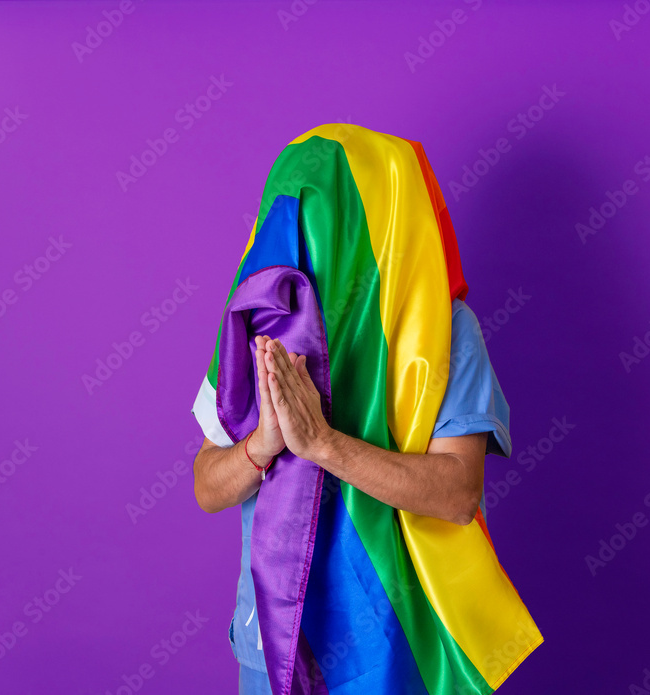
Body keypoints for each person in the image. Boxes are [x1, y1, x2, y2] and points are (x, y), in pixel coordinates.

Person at [189, 123, 540, 695]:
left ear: (382, 224)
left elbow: (456, 495)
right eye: (292, 215)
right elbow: (208, 486)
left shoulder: (444, 333)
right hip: (271, 638)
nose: (301, 236)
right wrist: (265, 443)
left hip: (395, 644)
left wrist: (324, 445)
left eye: (325, 214)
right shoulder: (254, 328)